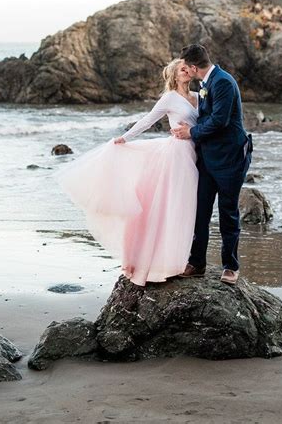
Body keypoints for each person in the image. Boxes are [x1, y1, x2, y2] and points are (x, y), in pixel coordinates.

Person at [56, 58, 199, 287]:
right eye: (181, 68)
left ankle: (180, 258)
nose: (186, 70)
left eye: (188, 67)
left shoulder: (198, 97)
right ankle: (159, 262)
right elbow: (147, 121)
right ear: (173, 75)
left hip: (195, 154)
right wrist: (125, 138)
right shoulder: (169, 98)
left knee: (186, 208)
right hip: (177, 156)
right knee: (171, 207)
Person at [171, 44, 253, 285]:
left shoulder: (223, 82)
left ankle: (231, 266)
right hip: (208, 159)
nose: (185, 70)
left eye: (186, 67)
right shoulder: (206, 83)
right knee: (201, 212)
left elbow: (219, 120)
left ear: (194, 67)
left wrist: (191, 132)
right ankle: (197, 263)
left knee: (228, 213)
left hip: (230, 158)